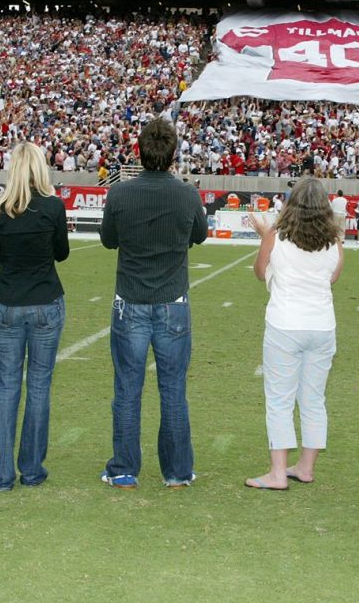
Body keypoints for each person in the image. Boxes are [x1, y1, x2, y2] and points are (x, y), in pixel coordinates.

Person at [99, 116, 208, 490]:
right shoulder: (186, 193)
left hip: (131, 300)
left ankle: (124, 468)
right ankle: (177, 471)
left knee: (127, 390)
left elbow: (108, 240)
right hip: (172, 301)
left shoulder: (120, 194)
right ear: (173, 152)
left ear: (139, 151)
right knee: (173, 389)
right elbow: (200, 235)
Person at [245, 178, 344, 491]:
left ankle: (277, 473)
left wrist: (265, 237)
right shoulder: (334, 240)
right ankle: (305, 466)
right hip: (322, 325)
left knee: (280, 400)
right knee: (314, 398)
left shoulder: (277, 235)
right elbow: (333, 277)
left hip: (286, 324)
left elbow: (260, 272)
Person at [0, 142, 70, 491]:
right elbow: (61, 253)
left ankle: (1, 474)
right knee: (38, 386)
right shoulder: (52, 207)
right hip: (45, 301)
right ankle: (32, 469)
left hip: (8, 302)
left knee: (7, 386)